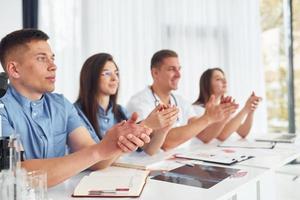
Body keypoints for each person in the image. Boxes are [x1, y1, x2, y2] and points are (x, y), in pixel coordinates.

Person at [0, 29, 152, 187]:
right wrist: (99, 150)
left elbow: (96, 161)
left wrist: (117, 142)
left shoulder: (61, 105)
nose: (53, 66)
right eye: (41, 59)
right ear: (14, 70)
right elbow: (18, 174)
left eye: (52, 58)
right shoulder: (2, 108)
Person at [127, 49, 237, 150]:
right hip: (147, 166)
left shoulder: (181, 102)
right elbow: (165, 142)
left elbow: (204, 136)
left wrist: (217, 117)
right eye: (172, 69)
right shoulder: (139, 102)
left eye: (179, 69)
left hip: (180, 161)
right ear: (155, 73)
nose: (178, 75)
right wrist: (207, 119)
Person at [74, 53, 179, 155]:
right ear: (91, 78)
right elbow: (95, 157)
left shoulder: (121, 111)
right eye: (107, 73)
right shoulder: (76, 113)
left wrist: (163, 130)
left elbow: (149, 150)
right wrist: (146, 124)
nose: (115, 78)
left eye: (116, 73)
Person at [193, 68, 262, 142]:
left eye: (224, 78)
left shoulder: (221, 107)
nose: (225, 81)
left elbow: (243, 132)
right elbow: (221, 136)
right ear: (207, 84)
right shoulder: (196, 109)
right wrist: (245, 109)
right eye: (218, 79)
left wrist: (251, 110)